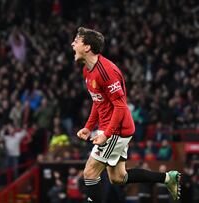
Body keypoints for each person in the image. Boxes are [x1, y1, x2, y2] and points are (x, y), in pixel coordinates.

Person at [72, 27, 180, 202]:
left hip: (117, 129)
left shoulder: (106, 72)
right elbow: (98, 101)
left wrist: (106, 134)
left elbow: (121, 107)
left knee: (90, 172)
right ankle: (168, 178)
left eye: (76, 41)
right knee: (118, 177)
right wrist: (88, 126)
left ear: (87, 48)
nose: (72, 44)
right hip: (107, 128)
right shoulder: (87, 70)